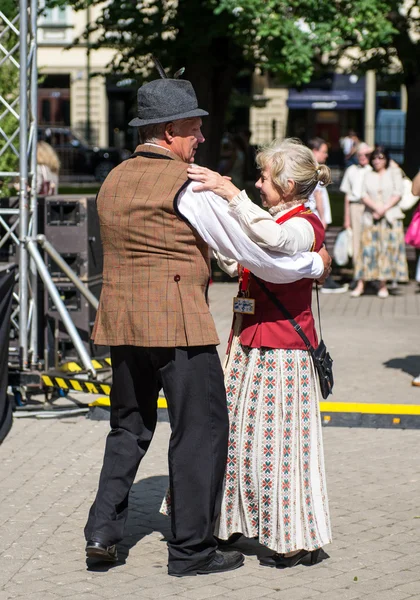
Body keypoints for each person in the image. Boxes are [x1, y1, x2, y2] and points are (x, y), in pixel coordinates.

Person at [84, 77, 331, 577]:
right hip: (178, 323)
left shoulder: (112, 180)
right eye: (194, 129)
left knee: (128, 428)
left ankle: (102, 532)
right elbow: (255, 255)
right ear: (171, 130)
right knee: (201, 429)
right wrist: (314, 265)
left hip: (121, 321)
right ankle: (192, 550)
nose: (199, 139)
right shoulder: (189, 185)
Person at [186, 138, 332, 568]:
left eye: (265, 177)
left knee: (281, 447)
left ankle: (294, 539)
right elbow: (247, 256)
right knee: (237, 442)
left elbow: (278, 241)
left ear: (288, 184)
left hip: (283, 350)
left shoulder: (307, 222)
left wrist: (232, 195)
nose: (257, 183)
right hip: (248, 345)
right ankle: (230, 522)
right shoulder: (271, 216)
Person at [351, 146, 408, 298]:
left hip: (389, 217)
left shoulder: (393, 172)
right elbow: (362, 194)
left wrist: (384, 208)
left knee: (385, 251)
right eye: (375, 158)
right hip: (371, 217)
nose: (377, 161)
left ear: (387, 159)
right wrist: (376, 208)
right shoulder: (368, 174)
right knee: (367, 251)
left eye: (381, 157)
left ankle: (383, 285)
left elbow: (398, 192)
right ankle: (361, 283)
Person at [307, 137, 348, 294]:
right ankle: (325, 280)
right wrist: (323, 219)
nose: (326, 155)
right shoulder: (313, 169)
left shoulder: (313, 167)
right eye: (324, 151)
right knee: (319, 248)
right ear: (314, 151)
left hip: (314, 216)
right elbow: (317, 195)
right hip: (315, 216)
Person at [340, 142, 373, 282]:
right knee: (356, 242)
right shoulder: (351, 170)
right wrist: (346, 218)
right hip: (355, 207)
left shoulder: (373, 170)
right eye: (360, 154)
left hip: (369, 208)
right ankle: (358, 276)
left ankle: (371, 275)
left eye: (366, 154)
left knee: (370, 240)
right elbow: (347, 196)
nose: (363, 157)